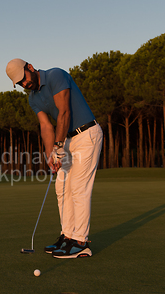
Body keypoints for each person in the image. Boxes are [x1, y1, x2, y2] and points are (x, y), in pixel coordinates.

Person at [6, 58, 103, 259]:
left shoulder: (55, 75)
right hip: (66, 140)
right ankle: (67, 236)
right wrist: (51, 154)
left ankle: (80, 242)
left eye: (23, 78)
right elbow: (46, 126)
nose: (24, 84)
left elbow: (64, 112)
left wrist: (58, 147)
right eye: (20, 83)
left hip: (87, 135)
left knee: (78, 187)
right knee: (62, 188)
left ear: (30, 67)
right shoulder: (32, 98)